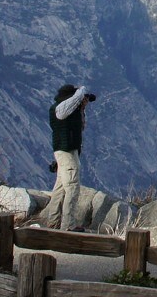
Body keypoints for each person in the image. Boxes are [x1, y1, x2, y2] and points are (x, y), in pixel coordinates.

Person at [41, 84, 96, 231]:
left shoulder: (67, 111)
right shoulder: (61, 109)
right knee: (72, 187)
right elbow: (68, 109)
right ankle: (68, 225)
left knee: (60, 189)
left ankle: (53, 222)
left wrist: (82, 108)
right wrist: (80, 92)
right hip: (67, 152)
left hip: (64, 153)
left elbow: (81, 127)